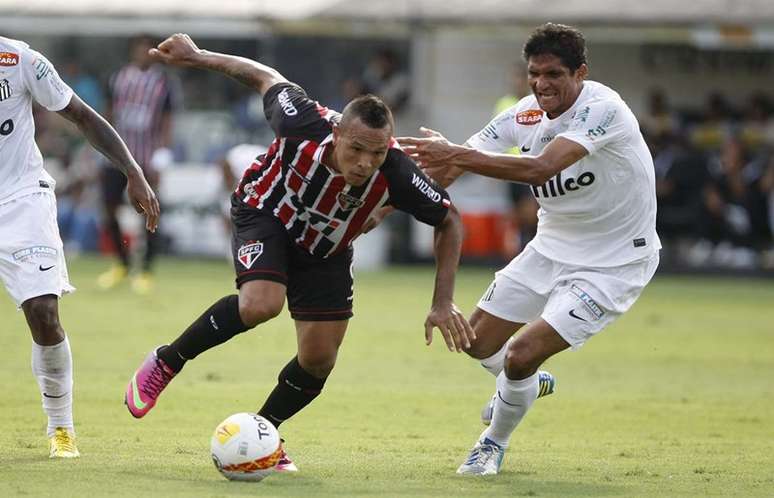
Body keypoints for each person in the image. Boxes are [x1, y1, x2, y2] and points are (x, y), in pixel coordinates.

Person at [124, 34, 472, 471]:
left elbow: (449, 219)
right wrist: (197, 57)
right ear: (338, 131)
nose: (365, 162)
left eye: (377, 153)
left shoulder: (396, 170)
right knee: (261, 304)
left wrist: (443, 302)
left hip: (326, 247)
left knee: (319, 358)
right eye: (357, 149)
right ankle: (166, 361)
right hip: (266, 212)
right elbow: (262, 75)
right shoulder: (301, 121)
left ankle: (264, 434)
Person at [399, 23, 661, 475]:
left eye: (554, 74)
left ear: (581, 72)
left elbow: (540, 169)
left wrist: (456, 155)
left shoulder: (604, 109)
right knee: (476, 342)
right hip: (551, 247)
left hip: (615, 261)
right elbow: (453, 165)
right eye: (534, 74)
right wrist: (390, 197)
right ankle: (523, 386)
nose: (542, 84)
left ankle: (490, 445)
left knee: (520, 355)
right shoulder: (522, 114)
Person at [0, 36, 159, 458]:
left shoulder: (19, 60)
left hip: (19, 200)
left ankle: (61, 428)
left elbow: (83, 117)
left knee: (43, 312)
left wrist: (132, 170)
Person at [97, 35, 179, 294]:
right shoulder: (117, 78)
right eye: (139, 49)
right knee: (109, 207)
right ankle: (121, 264)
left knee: (151, 211)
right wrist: (100, 145)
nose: (143, 53)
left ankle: (145, 270)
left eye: (148, 49)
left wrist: (163, 152)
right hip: (117, 157)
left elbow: (167, 120)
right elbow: (106, 114)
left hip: (146, 157)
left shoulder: (164, 82)